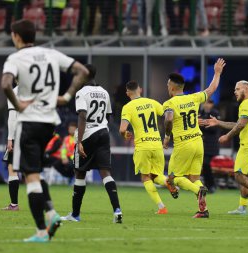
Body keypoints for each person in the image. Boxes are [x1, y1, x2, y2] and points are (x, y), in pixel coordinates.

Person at [1, 19, 89, 242]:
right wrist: (67, 97)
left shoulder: (15, 58)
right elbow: (82, 71)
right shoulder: (51, 54)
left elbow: (5, 84)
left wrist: (18, 103)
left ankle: (42, 231)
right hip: (50, 122)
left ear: (17, 37)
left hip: (28, 121)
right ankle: (51, 213)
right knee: (36, 171)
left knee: (29, 177)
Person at [163, 58, 225, 218]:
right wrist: (217, 73)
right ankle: (203, 210)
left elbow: (169, 119)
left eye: (167, 85)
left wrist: (167, 136)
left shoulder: (169, 103)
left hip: (184, 144)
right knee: (194, 178)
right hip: (198, 142)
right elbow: (211, 89)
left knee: (173, 178)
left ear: (171, 87)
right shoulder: (193, 98)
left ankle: (198, 190)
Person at [61, 64, 123, 223]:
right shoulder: (104, 92)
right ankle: (117, 210)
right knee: (105, 173)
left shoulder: (81, 93)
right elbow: (109, 116)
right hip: (103, 133)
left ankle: (75, 214)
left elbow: (82, 116)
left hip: (87, 134)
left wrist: (80, 141)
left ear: (84, 75)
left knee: (80, 173)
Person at [202, 80, 248, 215]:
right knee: (244, 177)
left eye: (237, 89)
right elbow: (238, 123)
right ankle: (243, 207)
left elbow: (240, 125)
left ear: (245, 90)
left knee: (238, 176)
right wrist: (218, 122)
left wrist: (227, 137)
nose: (235, 92)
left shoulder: (246, 104)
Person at [119, 80, 179, 214]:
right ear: (140, 89)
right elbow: (168, 115)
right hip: (157, 144)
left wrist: (125, 134)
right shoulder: (152, 102)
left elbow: (122, 129)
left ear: (128, 93)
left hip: (143, 146)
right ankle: (167, 182)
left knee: (145, 177)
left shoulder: (128, 107)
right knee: (155, 175)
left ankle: (161, 207)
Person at [1, 84, 20, 211]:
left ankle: (14, 205)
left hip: (19, 134)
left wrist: (10, 138)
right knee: (33, 172)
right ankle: (46, 207)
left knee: (12, 168)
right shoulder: (37, 89)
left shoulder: (14, 92)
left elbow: (12, 117)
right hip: (35, 133)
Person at [198, 98, 219, 193]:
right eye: (205, 103)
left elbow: (214, 128)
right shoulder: (201, 112)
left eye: (208, 103)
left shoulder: (214, 113)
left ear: (211, 104)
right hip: (201, 144)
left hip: (211, 145)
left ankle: (211, 185)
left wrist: (202, 124)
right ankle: (208, 185)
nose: (206, 105)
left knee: (206, 164)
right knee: (204, 165)